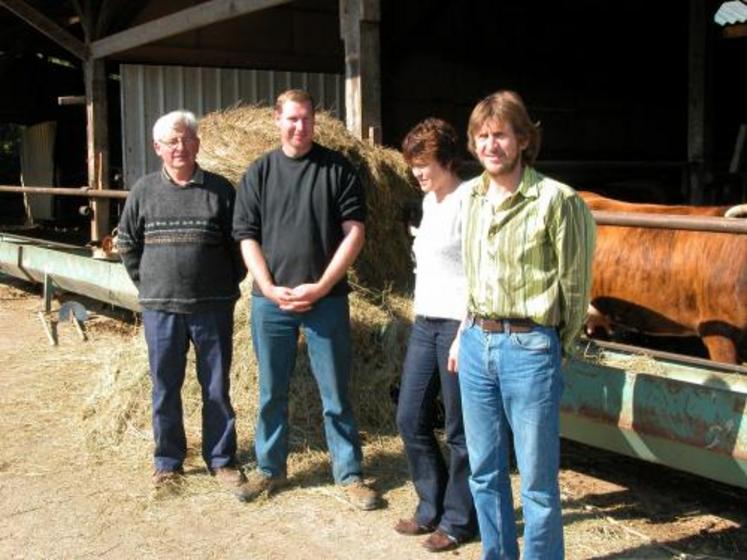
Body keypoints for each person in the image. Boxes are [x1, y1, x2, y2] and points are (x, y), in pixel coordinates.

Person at [453, 91, 596, 559]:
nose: (490, 144)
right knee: (484, 471)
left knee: (536, 482)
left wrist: (556, 347)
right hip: (476, 343)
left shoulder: (558, 200)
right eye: (482, 136)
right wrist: (462, 335)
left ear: (522, 140)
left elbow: (575, 290)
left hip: (530, 347)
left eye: (500, 135)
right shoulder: (469, 198)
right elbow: (471, 280)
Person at [232, 89, 379, 510]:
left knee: (336, 393)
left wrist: (323, 286)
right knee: (271, 391)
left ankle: (349, 475)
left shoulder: (338, 170)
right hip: (270, 303)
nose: (300, 127)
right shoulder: (259, 172)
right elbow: (247, 237)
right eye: (292, 119)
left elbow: (355, 233)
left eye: (306, 119)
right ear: (277, 120)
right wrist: (268, 285)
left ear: (315, 121)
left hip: (326, 302)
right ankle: (268, 469)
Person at [117, 110, 247, 494]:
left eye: (186, 139)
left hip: (213, 307)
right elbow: (127, 244)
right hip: (161, 308)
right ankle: (168, 462)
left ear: (198, 144)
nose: (180, 147)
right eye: (171, 141)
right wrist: (151, 284)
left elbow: (239, 246)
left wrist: (222, 284)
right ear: (157, 148)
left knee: (216, 387)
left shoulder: (221, 190)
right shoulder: (143, 191)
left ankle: (222, 460)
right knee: (165, 386)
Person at [394, 118, 477, 552]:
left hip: (457, 324)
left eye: (425, 164)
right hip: (425, 322)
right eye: (414, 165)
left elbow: (480, 272)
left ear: (447, 159)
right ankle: (432, 504)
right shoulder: (430, 202)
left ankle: (461, 519)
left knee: (460, 431)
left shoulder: (470, 200)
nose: (418, 173)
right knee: (410, 418)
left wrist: (467, 329)